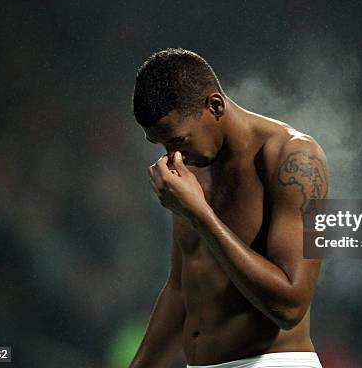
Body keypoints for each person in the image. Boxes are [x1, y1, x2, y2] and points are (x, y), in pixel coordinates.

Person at [129, 48, 328, 368]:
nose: (171, 155)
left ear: (215, 106)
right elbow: (181, 288)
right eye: (161, 145)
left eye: (177, 140)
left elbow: (290, 307)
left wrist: (199, 213)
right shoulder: (189, 166)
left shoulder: (292, 158)